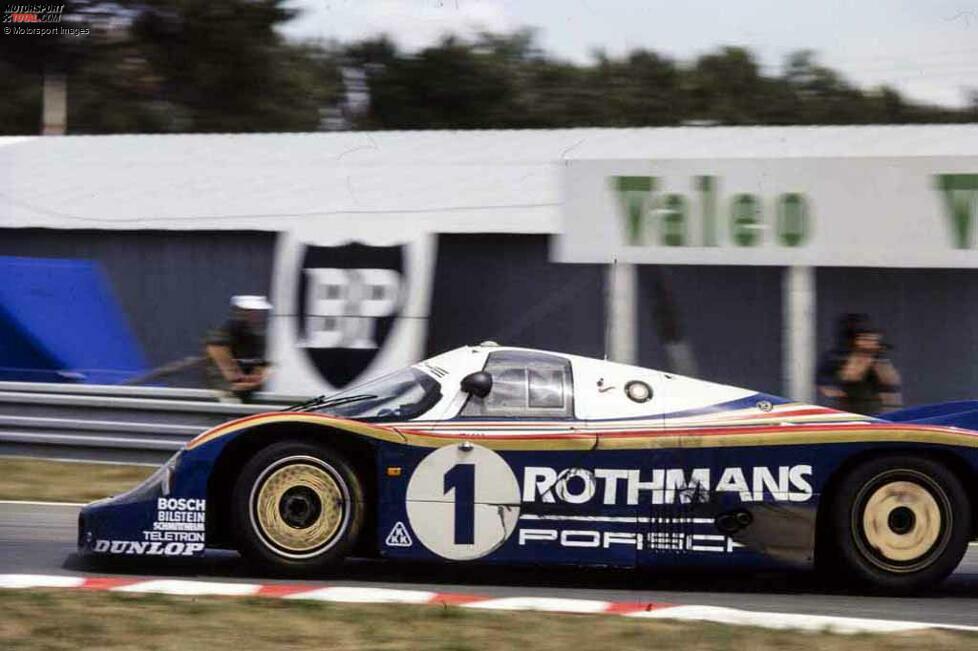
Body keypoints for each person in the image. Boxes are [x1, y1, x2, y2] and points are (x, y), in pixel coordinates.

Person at [817, 314, 901, 415]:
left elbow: (890, 383)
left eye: (873, 339)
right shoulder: (838, 357)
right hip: (847, 408)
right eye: (866, 339)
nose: (871, 342)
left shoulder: (878, 358)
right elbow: (849, 377)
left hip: (872, 409)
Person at [205, 295, 272, 402]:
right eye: (251, 311)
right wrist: (237, 380)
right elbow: (221, 358)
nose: (256, 315)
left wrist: (256, 378)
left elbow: (261, 364)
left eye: (257, 311)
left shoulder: (257, 336)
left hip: (251, 393)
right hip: (225, 392)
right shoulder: (222, 334)